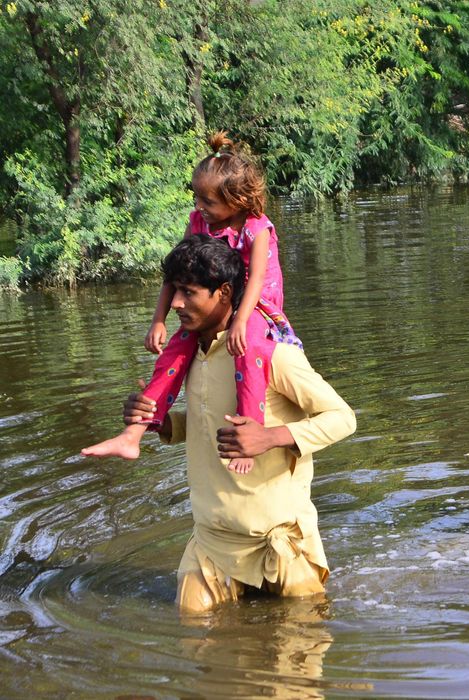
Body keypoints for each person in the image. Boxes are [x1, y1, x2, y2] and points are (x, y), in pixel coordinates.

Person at [114, 236, 355, 613]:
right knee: (196, 637)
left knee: (300, 643)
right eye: (174, 291)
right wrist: (160, 426)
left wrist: (271, 436)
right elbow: (205, 420)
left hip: (279, 542)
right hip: (211, 541)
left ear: (223, 293)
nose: (175, 303)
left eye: (188, 292)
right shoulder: (189, 354)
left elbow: (343, 418)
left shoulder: (274, 355)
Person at [83, 131, 297, 475]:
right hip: (214, 305)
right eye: (197, 198)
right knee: (175, 350)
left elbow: (256, 279)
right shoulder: (199, 221)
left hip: (254, 306)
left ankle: (248, 434)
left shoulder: (257, 227)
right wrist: (158, 319)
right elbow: (176, 270)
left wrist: (241, 321)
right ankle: (133, 433)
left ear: (238, 199)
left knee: (250, 347)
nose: (199, 207)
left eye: (208, 202)